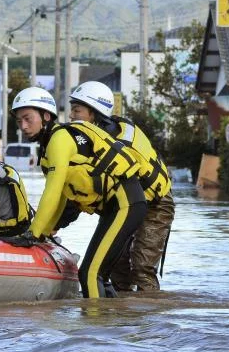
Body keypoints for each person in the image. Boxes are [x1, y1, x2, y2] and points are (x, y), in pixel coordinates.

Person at [9, 86, 147, 299]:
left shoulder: (59, 139)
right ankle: (116, 321)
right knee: (99, 274)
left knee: (90, 274)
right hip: (118, 207)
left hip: (126, 203)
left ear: (46, 116)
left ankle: (94, 328)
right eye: (19, 122)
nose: (23, 126)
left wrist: (33, 234)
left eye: (28, 119)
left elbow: (52, 192)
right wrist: (45, 231)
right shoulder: (49, 146)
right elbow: (63, 197)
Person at [69, 81, 175, 292]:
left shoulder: (117, 144)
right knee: (117, 266)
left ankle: (150, 319)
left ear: (93, 113)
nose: (71, 116)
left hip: (156, 204)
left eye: (76, 110)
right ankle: (122, 319)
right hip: (128, 204)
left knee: (142, 267)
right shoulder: (97, 139)